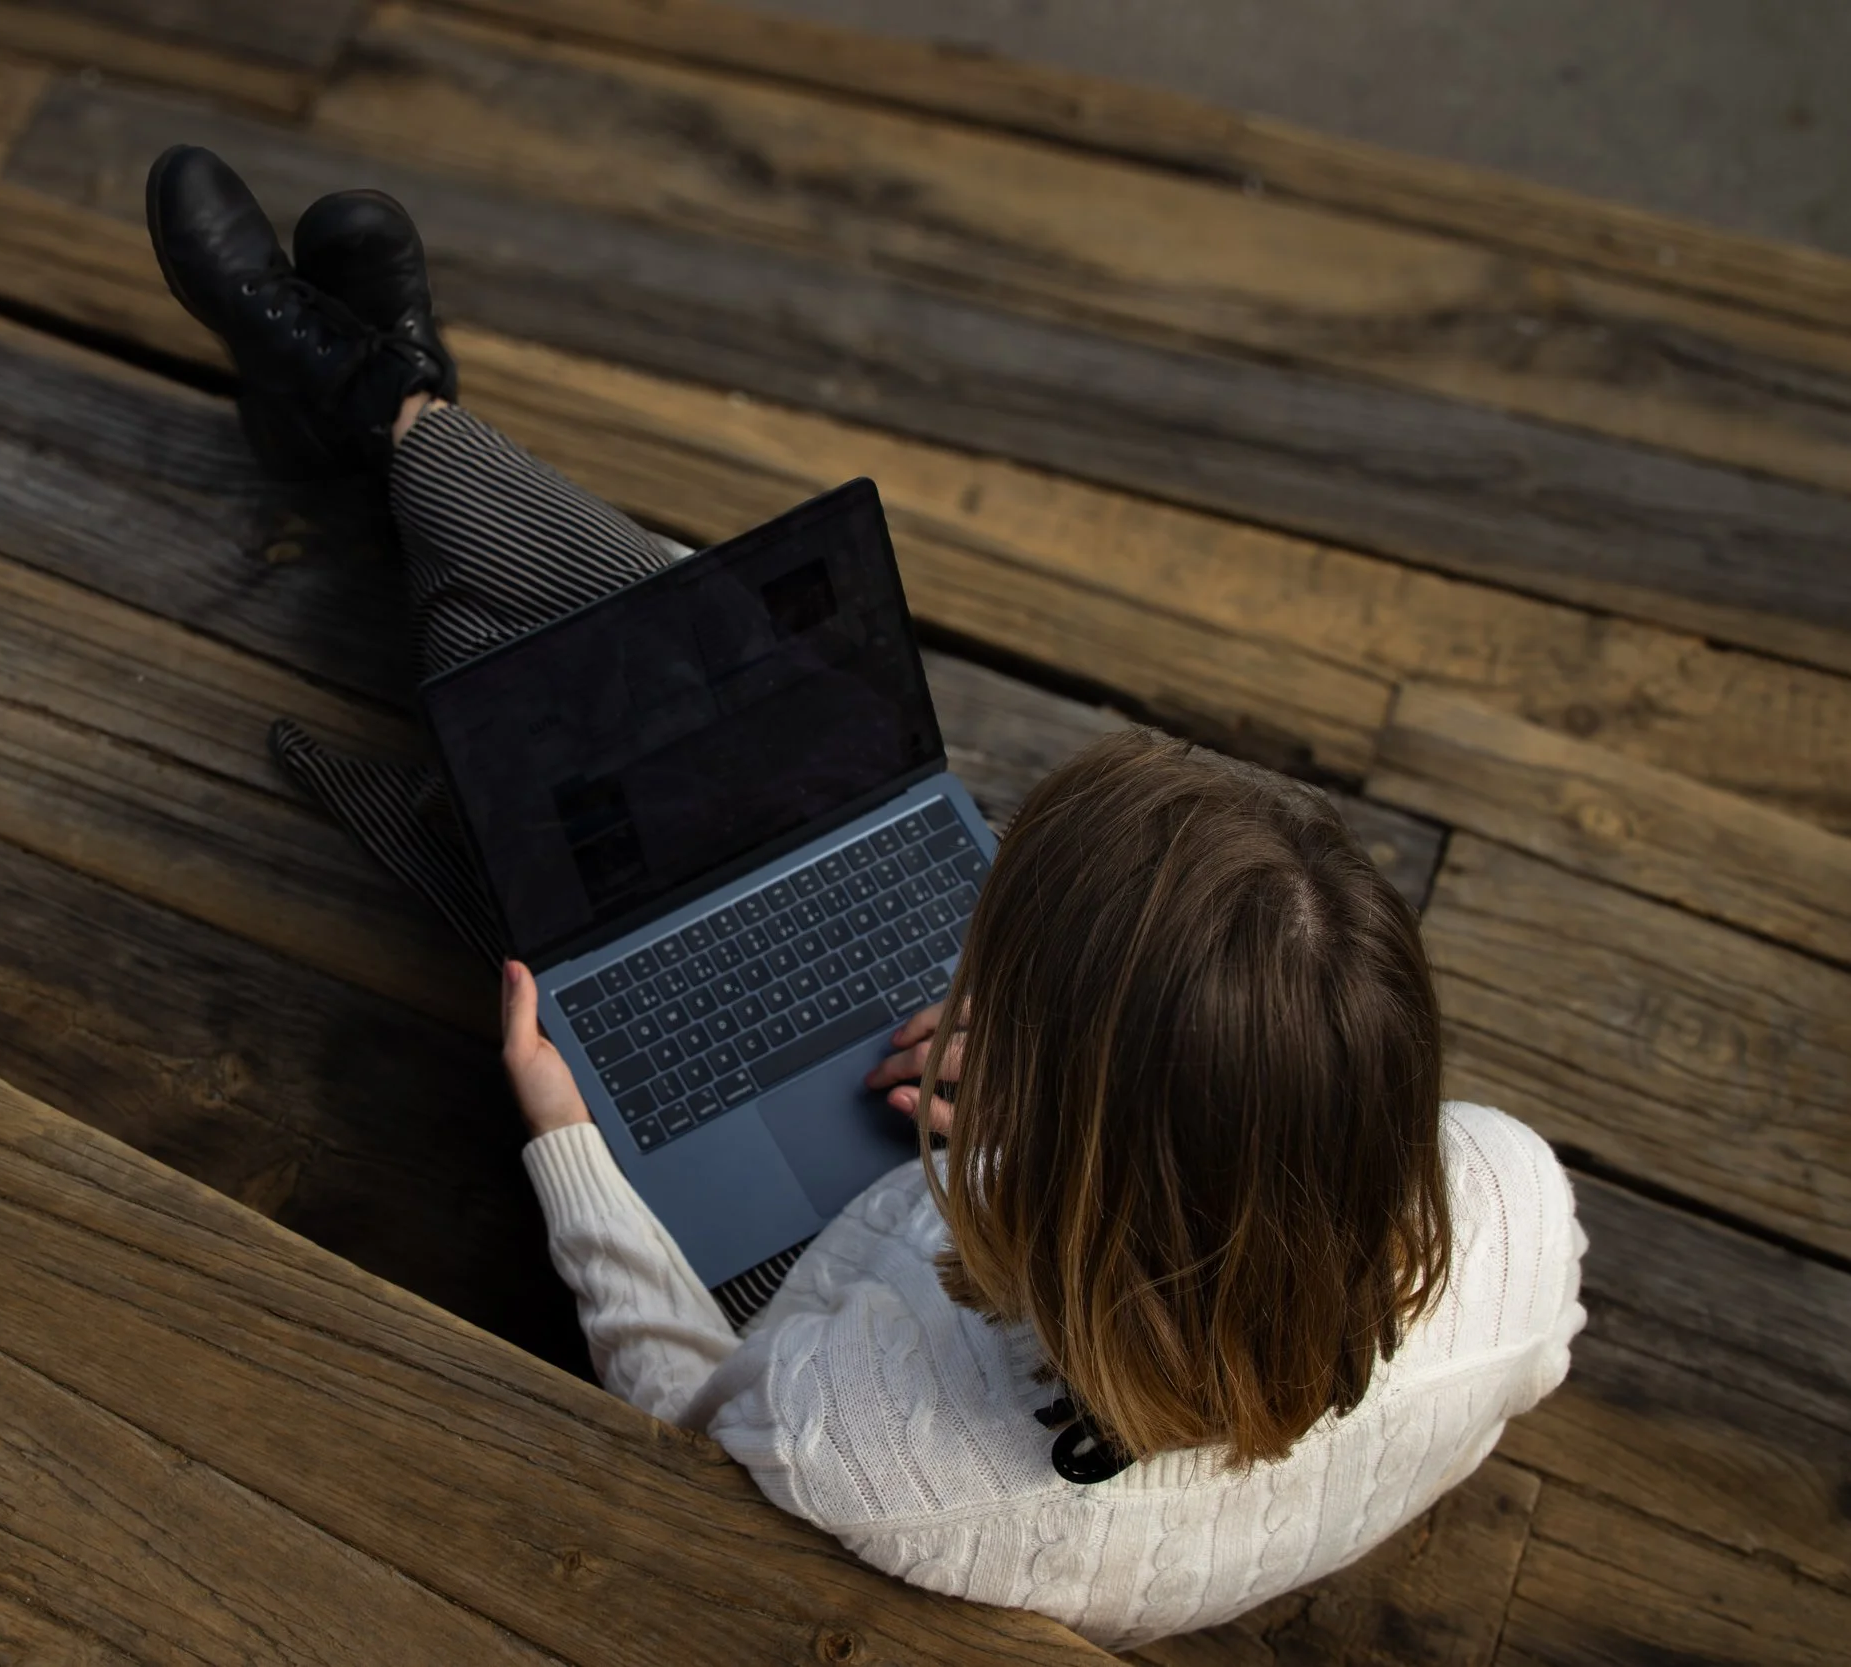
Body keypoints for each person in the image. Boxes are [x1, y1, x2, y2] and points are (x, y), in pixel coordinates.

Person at [144, 148, 1586, 1650]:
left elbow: (692, 1410)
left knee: (521, 695)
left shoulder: (877, 1445)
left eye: (1003, 978)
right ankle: (391, 412)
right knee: (699, 685)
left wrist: (572, 1153)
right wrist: (1054, 1132)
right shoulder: (1506, 1208)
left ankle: (383, 412)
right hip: (1075, 1235)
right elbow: (1494, 1340)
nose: (967, 980)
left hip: (818, 1276)